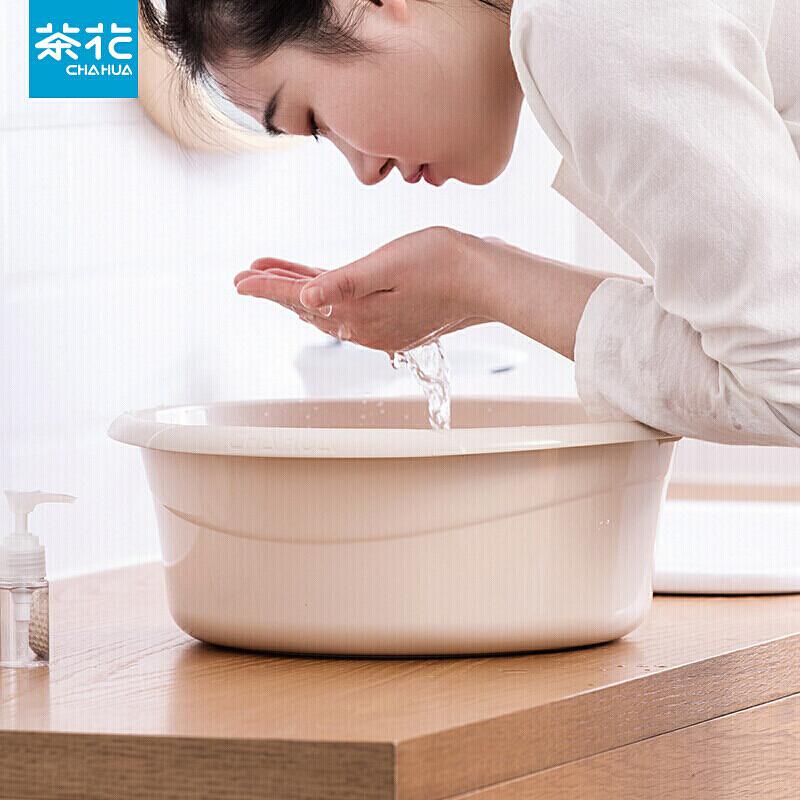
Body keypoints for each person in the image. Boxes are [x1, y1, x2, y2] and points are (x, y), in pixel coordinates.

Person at [140, 0, 800, 446]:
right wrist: (476, 278)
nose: (364, 171)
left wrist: (482, 280)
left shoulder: (588, 25)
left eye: (315, 120)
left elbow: (787, 383)